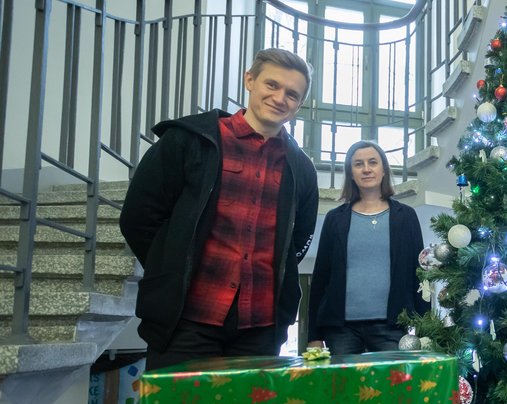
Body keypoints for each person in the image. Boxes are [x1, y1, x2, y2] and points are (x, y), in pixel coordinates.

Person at [120, 48, 319, 371]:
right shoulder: (189, 142)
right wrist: (172, 263)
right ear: (249, 80)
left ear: (298, 105)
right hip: (185, 323)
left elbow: (296, 242)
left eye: (292, 94)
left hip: (260, 329)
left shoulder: (301, 168)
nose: (280, 98)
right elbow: (138, 217)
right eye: (272, 85)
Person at [307, 140, 429, 354]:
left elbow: (419, 274)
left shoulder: (406, 217)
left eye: (372, 162)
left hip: (393, 327)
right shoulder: (334, 219)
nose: (366, 169)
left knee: (393, 388)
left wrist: (426, 328)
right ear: (351, 173)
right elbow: (320, 279)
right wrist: (313, 337)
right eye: (358, 164)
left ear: (383, 170)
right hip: (341, 330)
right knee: (344, 388)